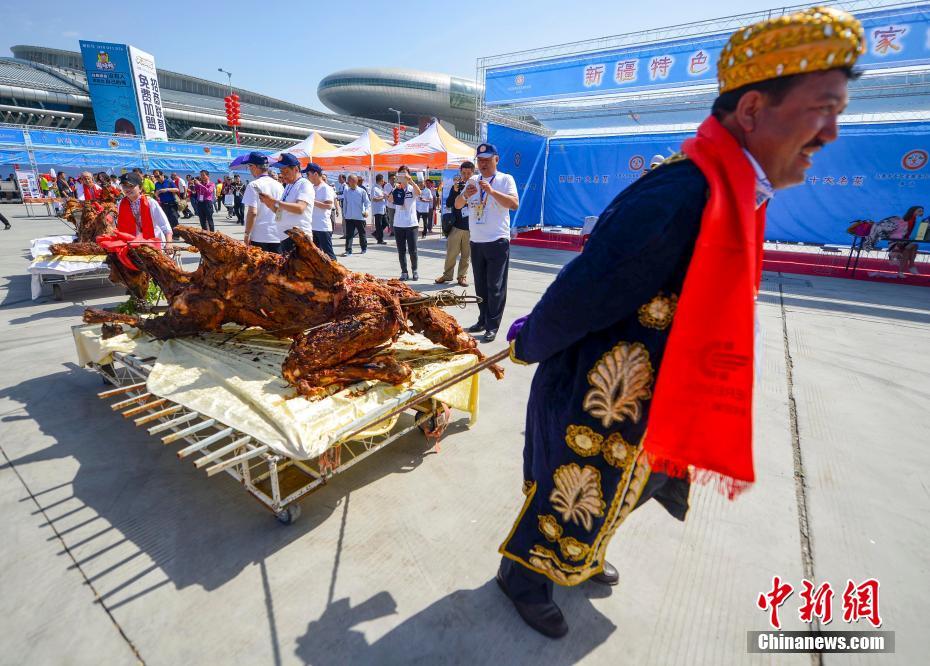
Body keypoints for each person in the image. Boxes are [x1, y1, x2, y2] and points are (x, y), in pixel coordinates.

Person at [496, 7, 864, 639]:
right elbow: (586, 290)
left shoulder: (731, 193)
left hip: (662, 397)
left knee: (626, 489)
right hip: (600, 396)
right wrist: (529, 340)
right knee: (575, 489)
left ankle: (577, 557)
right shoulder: (679, 194)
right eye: (821, 108)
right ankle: (523, 577)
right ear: (752, 111)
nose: (831, 132)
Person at [456, 144, 519, 343]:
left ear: (496, 160)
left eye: (487, 160)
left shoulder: (505, 179)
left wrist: (491, 192)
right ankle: (482, 320)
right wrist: (466, 195)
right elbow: (457, 204)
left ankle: (492, 325)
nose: (482, 164)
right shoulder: (473, 180)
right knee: (481, 286)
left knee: (495, 286)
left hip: (497, 240)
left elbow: (514, 204)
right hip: (477, 240)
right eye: (480, 160)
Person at [436, 161, 474, 286]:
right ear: (460, 173)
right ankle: (447, 275)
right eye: (464, 173)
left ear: (473, 173)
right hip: (456, 226)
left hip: (471, 228)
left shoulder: (476, 187)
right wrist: (455, 190)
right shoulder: (456, 186)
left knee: (466, 255)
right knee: (451, 253)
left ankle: (462, 277)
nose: (466, 176)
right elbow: (448, 204)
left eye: (469, 173)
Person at [240, 152, 285, 253]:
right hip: (277, 234)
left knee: (260, 267)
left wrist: (247, 234)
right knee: (277, 266)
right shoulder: (279, 185)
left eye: (249, 166)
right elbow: (280, 211)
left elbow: (252, 212)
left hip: (259, 236)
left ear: (254, 166)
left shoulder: (253, 185)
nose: (249, 169)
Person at [116, 172, 173, 244]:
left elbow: (164, 224)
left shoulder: (150, 202)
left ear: (140, 188)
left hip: (154, 241)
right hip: (132, 243)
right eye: (124, 186)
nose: (127, 189)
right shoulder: (121, 203)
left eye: (131, 186)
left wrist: (169, 243)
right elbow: (119, 225)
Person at [391, 166, 421, 280]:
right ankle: (404, 272)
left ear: (408, 174)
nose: (403, 175)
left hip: (411, 224)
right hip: (398, 224)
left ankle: (415, 270)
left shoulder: (411, 188)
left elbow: (419, 192)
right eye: (401, 173)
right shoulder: (396, 189)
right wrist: (395, 186)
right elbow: (390, 200)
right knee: (401, 250)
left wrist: (411, 181)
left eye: (405, 173)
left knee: (413, 250)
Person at [303, 163, 337, 259]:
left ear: (315, 174)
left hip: (323, 227)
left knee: (329, 255)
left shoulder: (326, 188)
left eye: (308, 174)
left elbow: (328, 205)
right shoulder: (312, 187)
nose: (307, 177)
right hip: (313, 226)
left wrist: (311, 201)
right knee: (316, 255)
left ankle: (336, 272)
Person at [888, 206, 923, 276]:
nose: (921, 213)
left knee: (913, 246)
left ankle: (906, 268)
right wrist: (898, 244)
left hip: (908, 241)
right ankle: (910, 266)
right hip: (899, 241)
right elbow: (900, 234)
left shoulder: (917, 220)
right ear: (913, 211)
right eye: (919, 211)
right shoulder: (907, 221)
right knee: (910, 248)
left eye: (922, 211)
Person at [341, 174, 371, 256]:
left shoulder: (362, 191)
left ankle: (364, 248)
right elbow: (345, 203)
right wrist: (344, 214)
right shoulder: (347, 191)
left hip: (359, 217)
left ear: (355, 181)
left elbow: (367, 203)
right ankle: (348, 250)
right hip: (349, 217)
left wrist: (366, 211)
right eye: (348, 180)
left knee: (362, 233)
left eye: (349, 180)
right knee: (349, 234)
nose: (348, 182)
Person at [371, 174, 388, 244]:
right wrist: (383, 197)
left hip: (382, 209)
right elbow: (374, 198)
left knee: (385, 223)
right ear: (380, 180)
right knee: (379, 225)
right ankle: (380, 240)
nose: (384, 181)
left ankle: (376, 233)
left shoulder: (380, 188)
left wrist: (385, 196)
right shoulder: (374, 188)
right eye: (383, 180)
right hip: (377, 209)